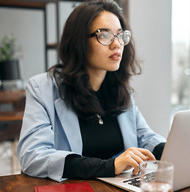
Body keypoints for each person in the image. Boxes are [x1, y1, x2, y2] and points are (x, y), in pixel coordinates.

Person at [17, 0, 165, 182]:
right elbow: (33, 157)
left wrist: (173, 151)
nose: (116, 44)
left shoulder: (119, 89)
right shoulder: (42, 88)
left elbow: (145, 137)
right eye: (104, 35)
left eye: (120, 35)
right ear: (78, 41)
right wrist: (111, 166)